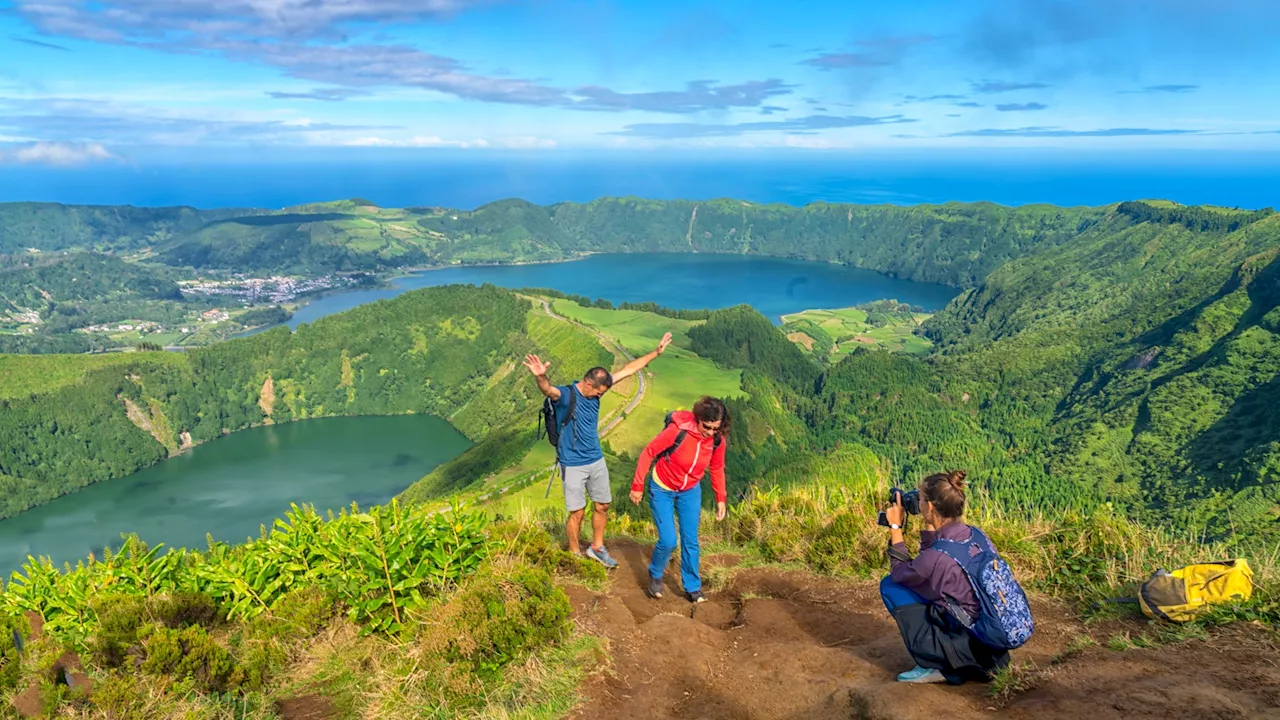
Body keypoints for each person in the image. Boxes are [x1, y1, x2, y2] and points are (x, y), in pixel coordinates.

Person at [523, 332, 671, 568]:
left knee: (602, 505)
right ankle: (574, 554)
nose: (601, 396)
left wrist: (657, 351)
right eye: (599, 392)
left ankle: (597, 548)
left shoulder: (598, 388)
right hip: (572, 463)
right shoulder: (567, 395)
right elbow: (549, 390)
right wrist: (541, 376)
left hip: (596, 458)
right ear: (589, 383)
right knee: (577, 512)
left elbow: (629, 370)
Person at [880, 470, 1011, 685]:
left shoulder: (936, 557)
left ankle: (936, 663)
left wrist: (895, 527)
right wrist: (931, 524)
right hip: (993, 642)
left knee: (891, 586)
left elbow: (900, 573)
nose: (918, 502)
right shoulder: (977, 534)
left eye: (920, 499)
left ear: (930, 506)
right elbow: (935, 561)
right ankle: (970, 661)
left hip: (970, 642)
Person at [629, 396, 729, 603]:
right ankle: (655, 573)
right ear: (698, 418)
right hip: (662, 487)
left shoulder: (717, 441)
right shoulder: (678, 431)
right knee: (668, 540)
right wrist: (637, 485)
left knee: (691, 540)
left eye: (715, 428)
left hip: (690, 490)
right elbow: (649, 452)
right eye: (707, 426)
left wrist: (721, 497)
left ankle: (692, 587)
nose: (710, 432)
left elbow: (717, 467)